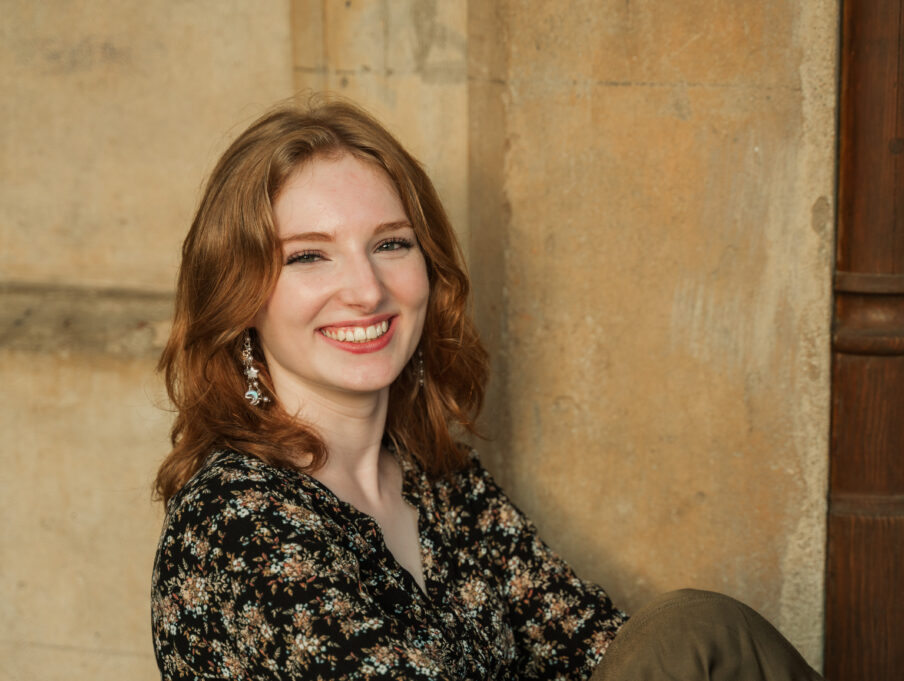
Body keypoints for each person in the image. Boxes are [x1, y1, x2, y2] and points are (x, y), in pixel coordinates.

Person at [150, 96, 823, 681]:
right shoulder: (235, 520)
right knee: (697, 630)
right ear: (239, 295)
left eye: (390, 244)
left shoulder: (439, 479)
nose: (366, 290)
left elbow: (591, 643)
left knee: (695, 633)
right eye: (308, 255)